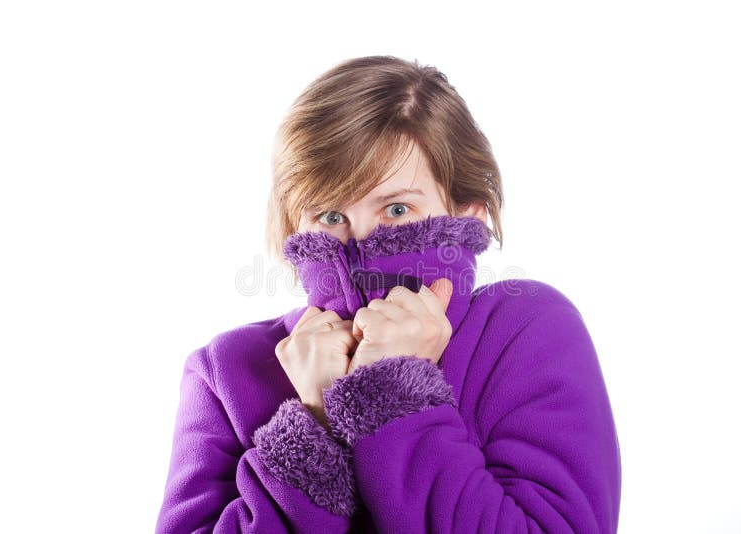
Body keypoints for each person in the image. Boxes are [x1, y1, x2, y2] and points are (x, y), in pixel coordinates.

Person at [155, 55, 621, 533]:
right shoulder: (227, 369)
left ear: (469, 213)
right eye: (331, 216)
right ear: (294, 224)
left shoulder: (527, 330)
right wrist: (314, 429)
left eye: (397, 208)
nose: (358, 239)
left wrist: (391, 396)